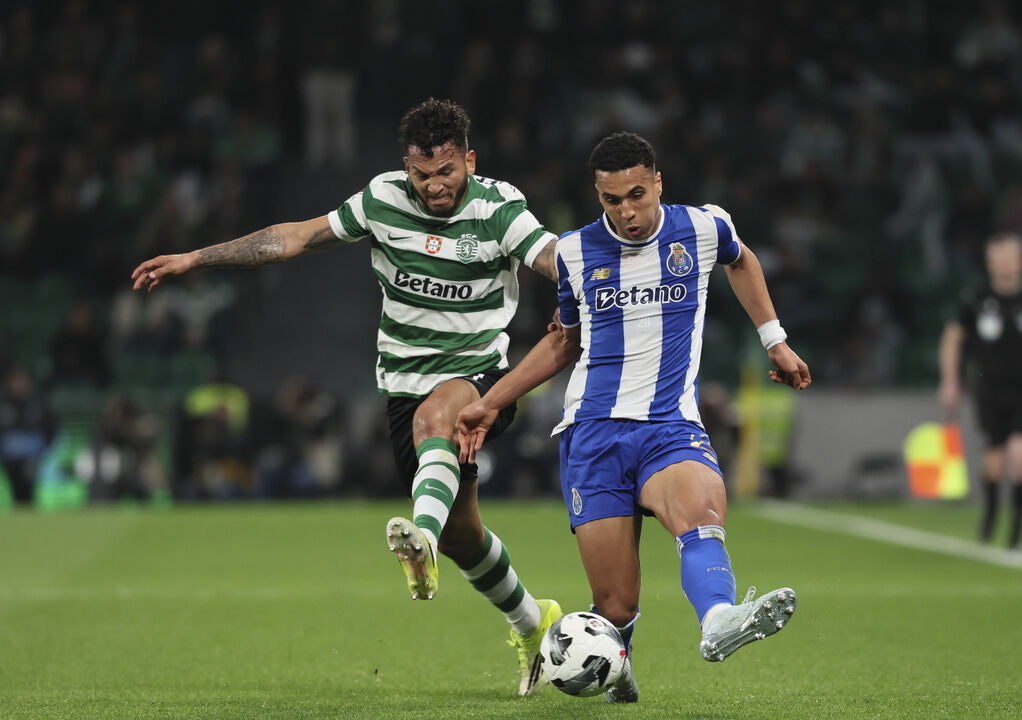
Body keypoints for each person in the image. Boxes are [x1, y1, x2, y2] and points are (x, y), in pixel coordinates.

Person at [131, 98, 563, 695]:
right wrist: (195, 259)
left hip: (480, 379)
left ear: (469, 159)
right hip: (403, 389)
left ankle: (421, 541)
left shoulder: (498, 208)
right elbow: (293, 238)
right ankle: (533, 622)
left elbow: (550, 256)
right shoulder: (383, 199)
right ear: (405, 167)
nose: (434, 186)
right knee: (468, 535)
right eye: (422, 174)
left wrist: (599, 280)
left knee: (442, 418)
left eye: (446, 172)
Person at [456, 132, 811, 703]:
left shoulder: (701, 228)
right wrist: (490, 401)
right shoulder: (573, 252)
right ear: (598, 197)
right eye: (612, 200)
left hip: (670, 425)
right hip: (592, 436)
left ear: (658, 184)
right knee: (617, 605)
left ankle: (719, 618)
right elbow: (563, 342)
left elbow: (741, 260)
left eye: (637, 195)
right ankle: (618, 669)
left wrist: (775, 340)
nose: (627, 211)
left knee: (699, 512)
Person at [938, 232, 1022, 550]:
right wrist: (950, 380)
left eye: (1010, 257)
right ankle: (992, 512)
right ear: (989, 263)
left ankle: (1016, 534)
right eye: (997, 258)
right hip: (989, 391)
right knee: (994, 466)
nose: (1004, 264)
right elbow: (952, 338)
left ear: (1021, 261)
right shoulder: (976, 299)